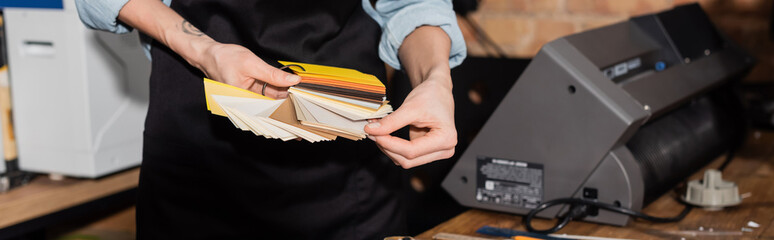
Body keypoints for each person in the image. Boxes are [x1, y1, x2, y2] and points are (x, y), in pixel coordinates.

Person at [75, 0, 466, 238]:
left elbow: (414, 5)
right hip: (197, 163)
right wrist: (204, 50)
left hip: (345, 173)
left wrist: (435, 80)